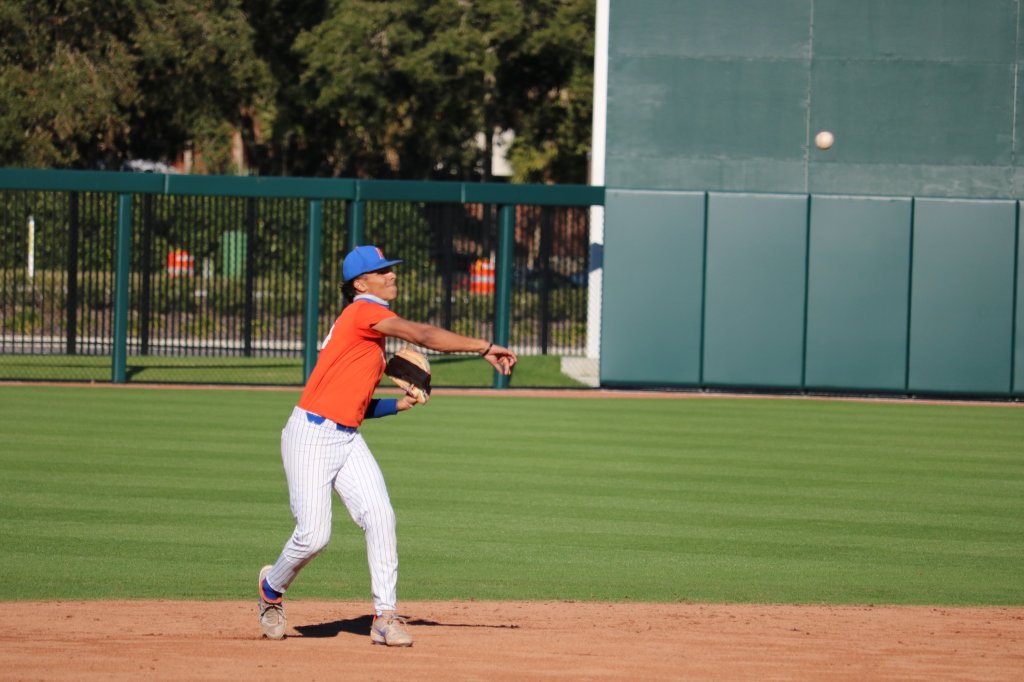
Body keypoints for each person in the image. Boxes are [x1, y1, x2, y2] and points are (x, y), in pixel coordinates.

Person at [258, 244, 517, 647]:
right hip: (310, 434)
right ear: (361, 284)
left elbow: (354, 407)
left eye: (391, 268)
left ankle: (384, 617)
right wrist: (484, 347)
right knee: (313, 536)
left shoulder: (370, 332)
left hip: (346, 435)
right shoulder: (364, 312)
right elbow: (424, 335)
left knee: (380, 516)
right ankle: (271, 588)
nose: (392, 274)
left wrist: (398, 404)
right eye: (382, 271)